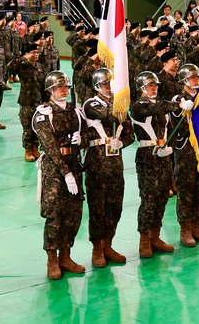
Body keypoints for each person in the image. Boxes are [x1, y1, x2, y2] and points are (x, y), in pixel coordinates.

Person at [32, 71, 86, 279]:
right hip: (55, 172)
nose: (63, 90)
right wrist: (66, 174)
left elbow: (89, 133)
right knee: (55, 215)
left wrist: (81, 138)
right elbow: (50, 146)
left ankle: (66, 255)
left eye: (66, 87)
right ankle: (52, 260)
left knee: (73, 214)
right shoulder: (43, 114)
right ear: (50, 91)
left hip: (74, 163)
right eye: (59, 87)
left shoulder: (76, 111)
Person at [130, 71, 189, 257]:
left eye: (156, 85)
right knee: (149, 199)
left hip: (163, 157)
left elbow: (169, 128)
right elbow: (154, 109)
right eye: (150, 86)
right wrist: (178, 104)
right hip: (147, 157)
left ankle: (155, 236)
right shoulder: (138, 106)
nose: (154, 89)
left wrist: (169, 147)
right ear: (141, 88)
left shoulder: (162, 107)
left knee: (162, 197)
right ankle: (144, 239)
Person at [82, 69, 135, 267]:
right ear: (97, 87)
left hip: (115, 164)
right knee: (98, 208)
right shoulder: (91, 104)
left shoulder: (119, 106)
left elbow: (130, 134)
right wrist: (120, 100)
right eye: (106, 85)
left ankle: (108, 244)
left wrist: (122, 143)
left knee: (114, 206)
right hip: (97, 163)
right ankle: (97, 249)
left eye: (111, 84)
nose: (110, 88)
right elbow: (109, 116)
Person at [169, 64, 199, 247]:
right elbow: (179, 127)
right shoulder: (179, 100)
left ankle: (196, 225)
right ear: (184, 80)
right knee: (186, 190)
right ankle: (185, 228)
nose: (197, 80)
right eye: (193, 77)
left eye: (198, 77)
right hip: (186, 150)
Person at [7, 44, 45, 162]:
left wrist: (45, 99)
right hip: (26, 101)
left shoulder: (40, 67)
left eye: (37, 52)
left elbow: (43, 85)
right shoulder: (23, 66)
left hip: (38, 101)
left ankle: (35, 148)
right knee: (28, 127)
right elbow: (9, 67)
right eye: (33, 52)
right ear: (27, 54)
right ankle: (28, 150)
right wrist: (24, 58)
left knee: (38, 126)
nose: (36, 54)